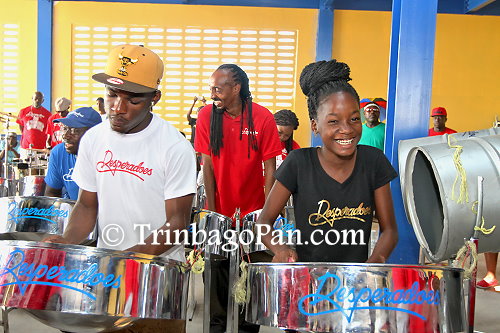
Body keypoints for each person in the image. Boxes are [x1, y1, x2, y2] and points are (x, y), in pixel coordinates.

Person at [44, 44, 196, 333]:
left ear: (155, 98)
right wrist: (66, 241)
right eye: (112, 95)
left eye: (133, 100)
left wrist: (128, 260)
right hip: (106, 280)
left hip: (157, 279)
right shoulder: (93, 139)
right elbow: (87, 205)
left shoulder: (174, 147)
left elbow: (177, 222)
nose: (118, 108)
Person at [257, 59, 398, 264]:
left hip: (354, 283)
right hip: (309, 280)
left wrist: (375, 262)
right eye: (333, 121)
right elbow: (263, 222)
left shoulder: (373, 162)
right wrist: (280, 249)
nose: (347, 129)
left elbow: (390, 230)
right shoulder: (299, 163)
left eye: (354, 119)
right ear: (315, 126)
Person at [194, 64, 282, 333]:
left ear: (236, 88)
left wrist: (266, 216)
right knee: (217, 281)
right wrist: (212, 210)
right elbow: (206, 166)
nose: (213, 94)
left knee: (251, 283)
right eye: (211, 89)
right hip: (218, 212)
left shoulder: (262, 118)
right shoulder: (207, 115)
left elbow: (270, 170)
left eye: (218, 89)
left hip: (254, 212)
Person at [44, 107, 102, 200]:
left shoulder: (108, 157)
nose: (65, 135)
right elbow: (51, 195)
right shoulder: (59, 153)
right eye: (65, 128)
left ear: (94, 134)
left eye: (74, 130)